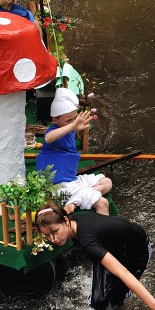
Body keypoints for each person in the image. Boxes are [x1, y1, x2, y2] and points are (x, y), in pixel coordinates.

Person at [34, 202, 155, 310]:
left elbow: (123, 272)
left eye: (55, 231)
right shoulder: (74, 223)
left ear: (65, 220)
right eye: (47, 235)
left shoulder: (88, 242)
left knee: (117, 300)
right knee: (98, 302)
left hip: (136, 251)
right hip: (110, 248)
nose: (53, 239)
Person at [36, 87, 112, 215]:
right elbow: (48, 138)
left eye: (75, 118)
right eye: (69, 121)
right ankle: (79, 199)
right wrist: (73, 126)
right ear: (55, 120)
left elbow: (74, 120)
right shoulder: (53, 131)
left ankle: (75, 201)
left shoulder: (70, 127)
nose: (74, 122)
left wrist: (74, 122)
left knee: (107, 182)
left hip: (71, 180)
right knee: (103, 203)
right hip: (58, 186)